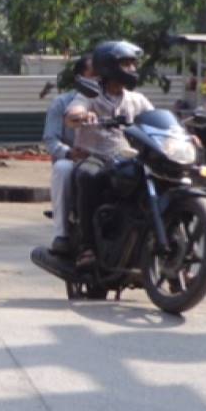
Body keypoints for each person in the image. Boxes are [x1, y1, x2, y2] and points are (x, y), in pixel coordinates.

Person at [66, 40, 155, 268]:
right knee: (88, 176)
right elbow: (73, 113)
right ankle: (87, 247)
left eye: (134, 65)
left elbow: (155, 121)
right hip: (96, 157)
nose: (133, 70)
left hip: (126, 158)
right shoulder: (90, 94)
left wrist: (183, 133)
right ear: (108, 66)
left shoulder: (137, 100)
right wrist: (81, 115)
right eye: (126, 64)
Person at [43, 53, 95, 256]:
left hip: (108, 160)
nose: (99, 80)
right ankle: (61, 234)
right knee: (62, 168)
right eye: (94, 75)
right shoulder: (63, 104)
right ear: (80, 79)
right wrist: (69, 153)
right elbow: (50, 139)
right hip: (76, 162)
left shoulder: (119, 100)